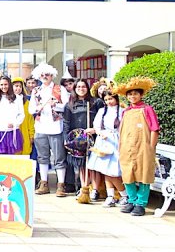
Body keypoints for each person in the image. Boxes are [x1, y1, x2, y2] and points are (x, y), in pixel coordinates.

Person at [115, 78, 160, 216]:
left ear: (141, 95)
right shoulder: (126, 111)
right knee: (127, 175)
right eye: (130, 94)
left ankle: (141, 203)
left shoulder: (147, 109)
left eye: (135, 94)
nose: (132, 96)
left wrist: (151, 147)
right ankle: (132, 200)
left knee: (144, 176)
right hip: (127, 148)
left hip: (143, 148)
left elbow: (154, 129)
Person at [29, 64, 69, 196]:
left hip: (56, 127)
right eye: (42, 75)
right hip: (40, 127)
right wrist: (37, 108)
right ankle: (44, 183)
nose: (45, 77)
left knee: (59, 157)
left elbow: (66, 106)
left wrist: (56, 105)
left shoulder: (60, 89)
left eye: (47, 74)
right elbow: (30, 109)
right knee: (42, 157)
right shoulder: (36, 90)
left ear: (52, 75)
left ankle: (61, 185)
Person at [63, 78, 104, 204]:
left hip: (94, 138)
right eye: (78, 87)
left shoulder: (96, 102)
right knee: (82, 164)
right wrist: (66, 138)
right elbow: (66, 123)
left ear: (88, 88)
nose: (81, 89)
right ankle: (83, 187)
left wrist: (95, 129)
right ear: (75, 89)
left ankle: (95, 190)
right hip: (78, 140)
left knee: (93, 165)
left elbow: (102, 119)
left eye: (83, 87)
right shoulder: (69, 104)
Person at [90, 90, 128, 208]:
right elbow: (96, 125)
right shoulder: (102, 111)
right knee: (104, 169)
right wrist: (100, 133)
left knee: (112, 170)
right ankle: (110, 196)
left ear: (116, 98)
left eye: (110, 99)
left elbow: (124, 127)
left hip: (116, 140)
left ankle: (124, 195)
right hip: (104, 140)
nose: (108, 102)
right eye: (106, 100)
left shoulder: (122, 111)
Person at [0, 76, 24, 154]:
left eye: (6, 84)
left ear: (9, 85)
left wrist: (14, 123)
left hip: (11, 131)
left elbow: (21, 114)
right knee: (0, 157)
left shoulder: (17, 98)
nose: (4, 87)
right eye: (1, 85)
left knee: (11, 156)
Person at [11, 78, 35, 157]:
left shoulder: (27, 103)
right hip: (11, 134)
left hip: (24, 134)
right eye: (16, 86)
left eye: (20, 86)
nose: (18, 88)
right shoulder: (7, 101)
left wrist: (31, 135)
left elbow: (30, 120)